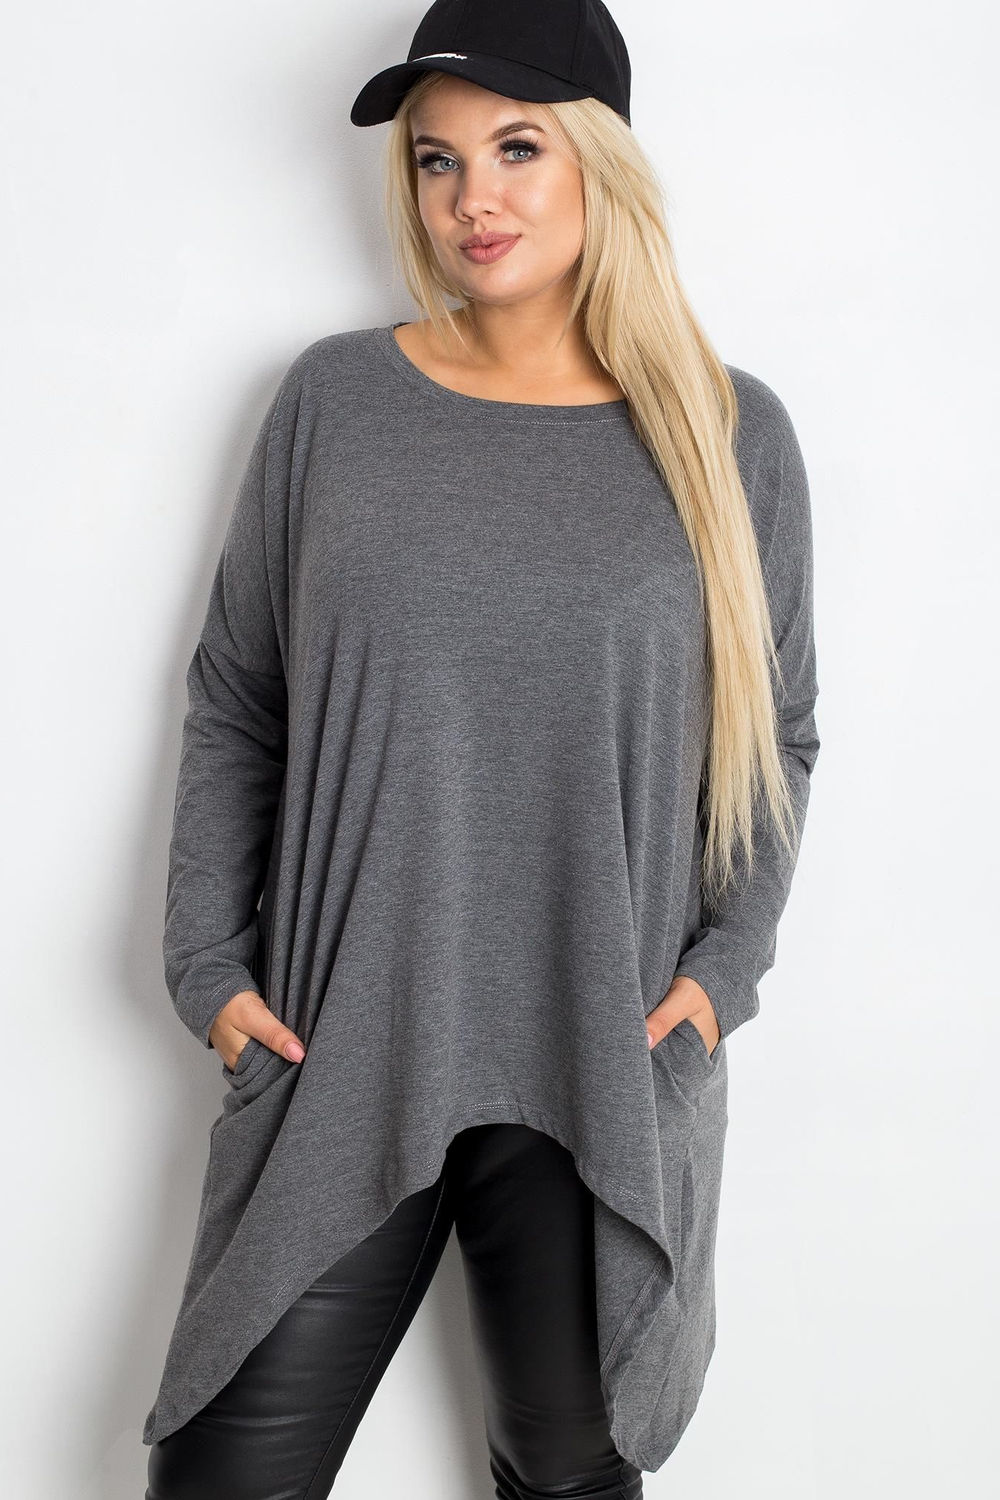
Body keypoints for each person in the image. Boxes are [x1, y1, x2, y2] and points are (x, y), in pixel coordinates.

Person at [143, 1, 821, 1495]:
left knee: (569, 1471)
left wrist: (721, 978)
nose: (472, 199)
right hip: (343, 1038)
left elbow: (773, 739)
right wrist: (207, 967)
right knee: (221, 1476)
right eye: (437, 160)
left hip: (601, 1049)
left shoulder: (728, 436)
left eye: (517, 149)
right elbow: (241, 694)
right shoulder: (336, 403)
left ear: (598, 162)